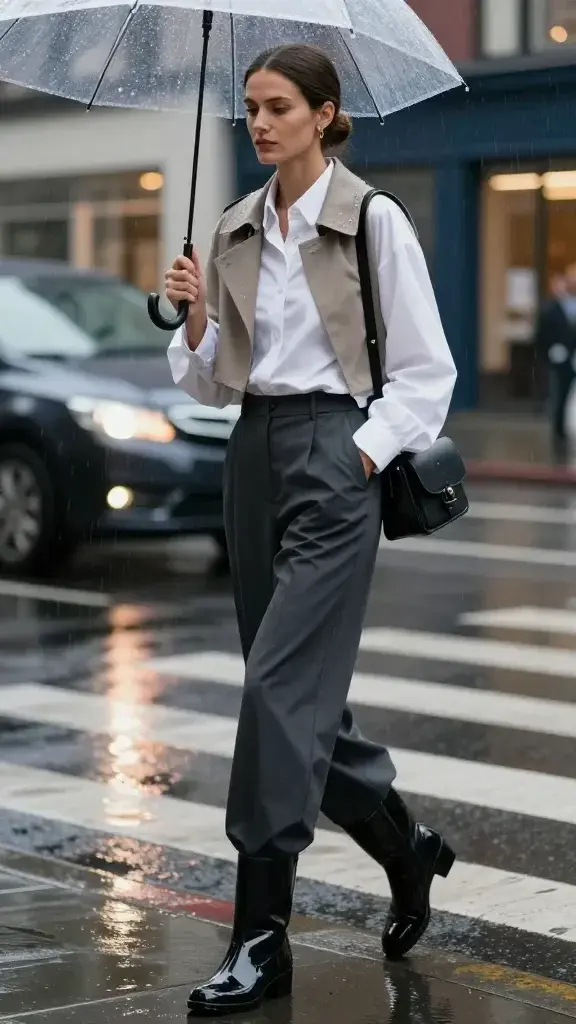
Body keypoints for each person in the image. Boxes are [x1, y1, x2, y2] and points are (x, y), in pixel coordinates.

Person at [166, 43, 457, 1017]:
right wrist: (197, 320)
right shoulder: (237, 227)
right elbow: (215, 380)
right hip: (252, 456)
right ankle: (409, 851)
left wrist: (363, 456)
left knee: (276, 689)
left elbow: (427, 372)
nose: (258, 121)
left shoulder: (373, 221)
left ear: (326, 116)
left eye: (278, 106)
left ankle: (260, 937)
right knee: (301, 707)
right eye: (250, 106)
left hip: (338, 459)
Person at [535, 264, 576, 454]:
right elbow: (541, 334)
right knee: (559, 397)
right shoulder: (551, 307)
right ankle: (558, 435)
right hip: (560, 362)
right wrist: (551, 352)